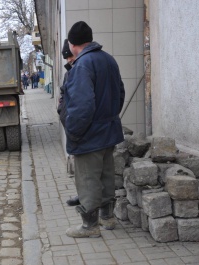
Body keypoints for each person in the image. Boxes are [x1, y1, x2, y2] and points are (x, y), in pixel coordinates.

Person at [63, 21, 125, 238]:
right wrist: (109, 118)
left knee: (88, 179)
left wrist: (73, 133)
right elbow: (120, 94)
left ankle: (90, 226)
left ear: (72, 44)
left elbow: (82, 106)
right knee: (107, 176)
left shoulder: (82, 65)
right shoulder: (108, 60)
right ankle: (108, 219)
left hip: (89, 135)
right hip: (109, 132)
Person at [57, 39, 76, 128]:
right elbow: (63, 92)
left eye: (70, 56)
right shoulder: (67, 74)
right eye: (66, 58)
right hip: (69, 125)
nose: (69, 60)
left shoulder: (84, 71)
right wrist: (61, 107)